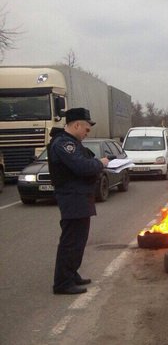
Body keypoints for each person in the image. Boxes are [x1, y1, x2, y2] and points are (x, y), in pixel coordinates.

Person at [48, 108, 109, 295]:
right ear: (76, 125)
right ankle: (62, 283)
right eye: (86, 129)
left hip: (80, 197)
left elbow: (84, 163)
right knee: (71, 241)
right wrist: (101, 163)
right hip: (72, 197)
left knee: (78, 241)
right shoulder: (64, 144)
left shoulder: (72, 143)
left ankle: (72, 274)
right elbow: (82, 167)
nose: (87, 132)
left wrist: (97, 163)